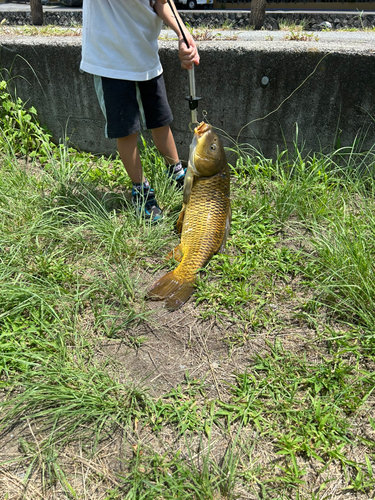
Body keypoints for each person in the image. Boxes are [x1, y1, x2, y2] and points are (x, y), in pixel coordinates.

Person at [80, 0, 200, 222]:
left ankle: (176, 174)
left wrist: (182, 34)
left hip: (146, 56)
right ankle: (140, 191)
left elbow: (161, 2)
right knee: (126, 130)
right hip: (110, 61)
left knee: (161, 120)